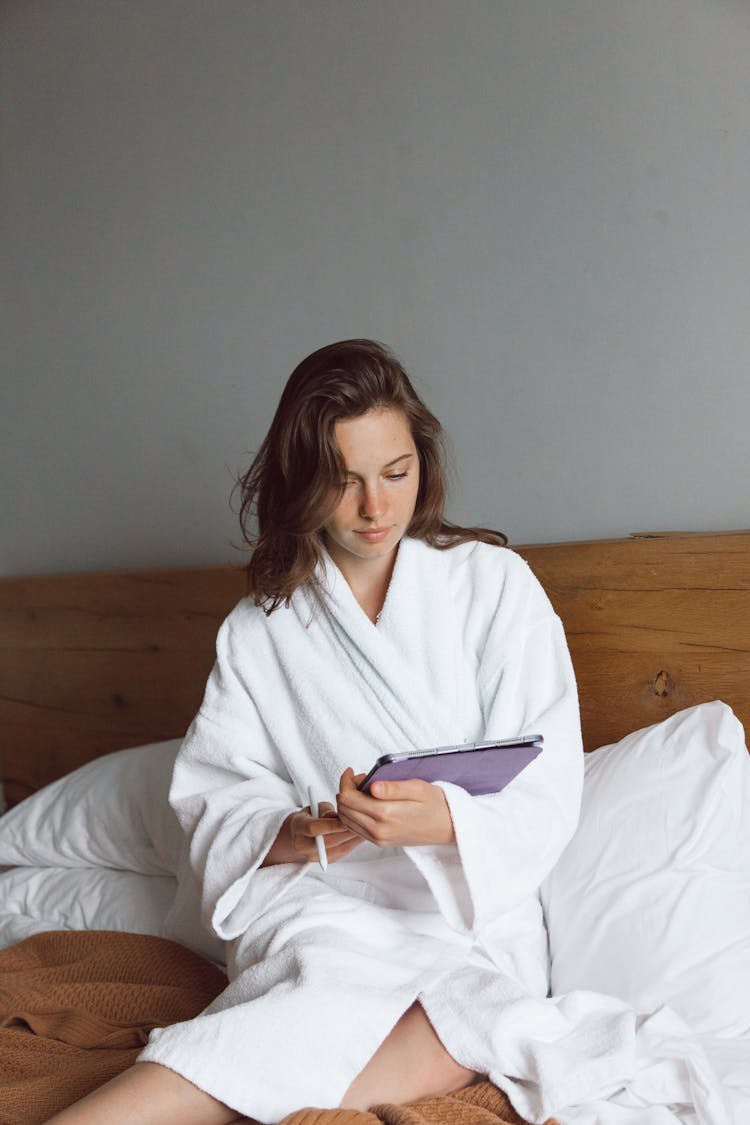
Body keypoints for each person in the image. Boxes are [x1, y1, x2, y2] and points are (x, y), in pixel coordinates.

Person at [47, 339, 583, 1125]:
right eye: (345, 481)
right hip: (327, 909)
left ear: (422, 465)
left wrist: (439, 819)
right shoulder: (262, 629)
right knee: (318, 992)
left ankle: (176, 1102)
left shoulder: (493, 587)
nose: (377, 508)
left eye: (396, 473)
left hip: (468, 918)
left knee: (474, 1022)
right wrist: (298, 832)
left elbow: (548, 779)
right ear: (302, 483)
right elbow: (214, 796)